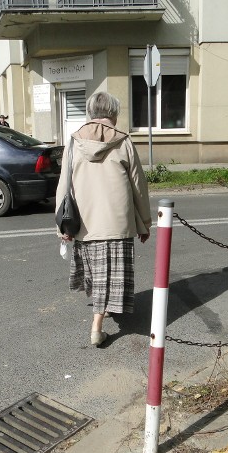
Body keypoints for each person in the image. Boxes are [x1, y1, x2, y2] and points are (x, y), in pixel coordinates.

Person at [55, 91, 152, 347]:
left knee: (97, 272)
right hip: (117, 220)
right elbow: (138, 185)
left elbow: (63, 186)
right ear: (114, 114)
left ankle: (105, 308)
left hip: (84, 222)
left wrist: (62, 226)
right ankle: (96, 328)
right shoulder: (123, 141)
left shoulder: (74, 142)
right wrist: (145, 220)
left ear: (90, 113)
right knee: (111, 271)